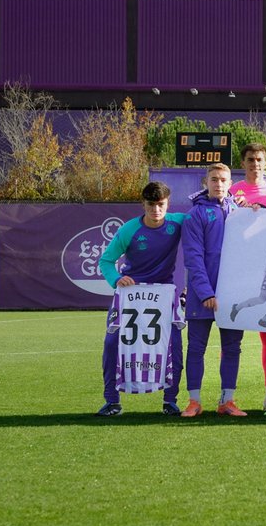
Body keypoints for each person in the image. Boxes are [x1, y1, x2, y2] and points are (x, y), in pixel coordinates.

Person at [95, 181, 187, 416]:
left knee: (174, 344)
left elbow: (207, 223)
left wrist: (237, 203)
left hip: (164, 296)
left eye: (161, 205)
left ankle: (170, 400)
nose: (156, 210)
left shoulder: (177, 222)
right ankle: (112, 401)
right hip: (130, 297)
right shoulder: (129, 230)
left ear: (168, 203)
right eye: (151, 205)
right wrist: (116, 279)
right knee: (111, 343)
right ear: (142, 204)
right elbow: (106, 261)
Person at [180, 164, 248, 418]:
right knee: (196, 348)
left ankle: (227, 401)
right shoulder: (195, 215)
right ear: (205, 182)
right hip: (203, 296)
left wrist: (254, 210)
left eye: (223, 180)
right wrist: (206, 292)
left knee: (232, 348)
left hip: (232, 295)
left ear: (230, 183)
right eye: (214, 179)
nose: (218, 184)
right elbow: (193, 258)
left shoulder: (239, 212)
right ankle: (194, 401)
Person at [228, 142, 266, 410]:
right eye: (251, 159)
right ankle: (227, 395)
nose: (255, 164)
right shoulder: (232, 191)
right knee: (232, 337)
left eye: (260, 159)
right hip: (239, 270)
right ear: (244, 163)